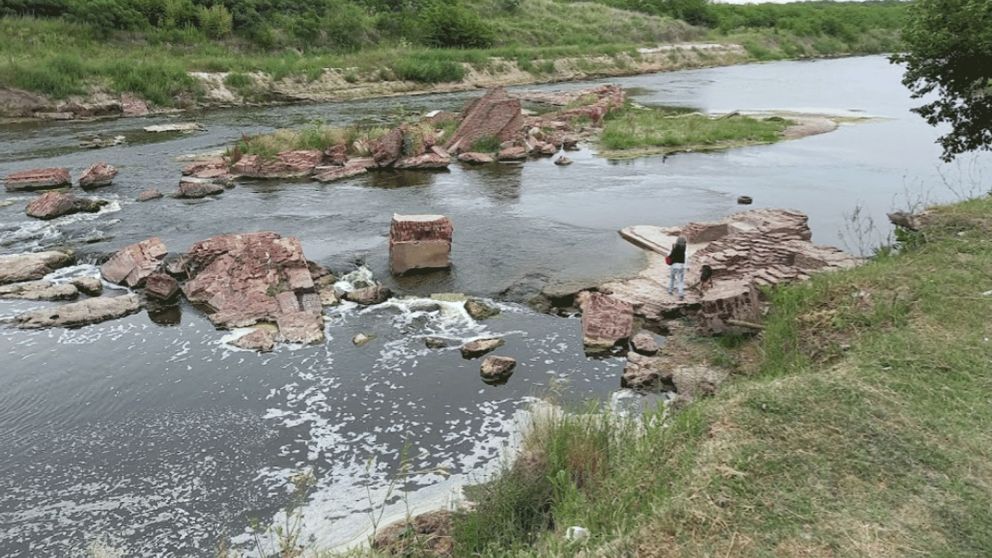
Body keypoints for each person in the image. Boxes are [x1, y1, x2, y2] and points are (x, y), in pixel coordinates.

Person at [667, 235, 687, 300]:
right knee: (680, 281)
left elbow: (671, 255)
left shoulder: (675, 247)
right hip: (681, 265)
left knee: (672, 278)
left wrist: (672, 248)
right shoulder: (684, 247)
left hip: (674, 265)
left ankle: (670, 290)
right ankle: (681, 294)